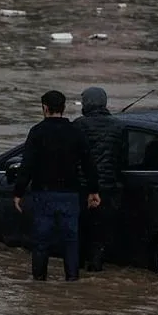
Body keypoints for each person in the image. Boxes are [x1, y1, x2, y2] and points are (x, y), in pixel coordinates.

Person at [12, 90, 101, 282]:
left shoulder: (37, 132)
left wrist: (18, 192)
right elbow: (89, 163)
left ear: (45, 108)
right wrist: (93, 190)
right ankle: (72, 280)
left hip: (43, 195)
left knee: (41, 242)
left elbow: (27, 165)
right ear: (64, 108)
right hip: (70, 195)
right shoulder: (76, 131)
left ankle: (39, 282)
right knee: (71, 242)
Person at [72, 86, 125, 272]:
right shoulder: (118, 126)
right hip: (109, 188)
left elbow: (73, 155)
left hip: (83, 186)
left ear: (88, 103)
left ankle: (76, 267)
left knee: (80, 229)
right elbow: (122, 157)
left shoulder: (79, 125)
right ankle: (96, 266)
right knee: (100, 232)